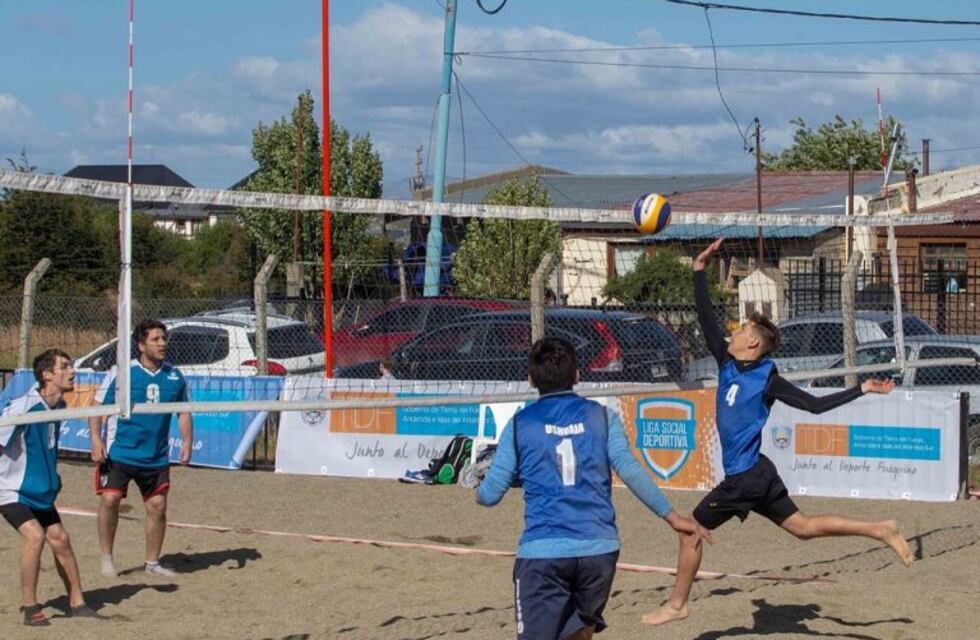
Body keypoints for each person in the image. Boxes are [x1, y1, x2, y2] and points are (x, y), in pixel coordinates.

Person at [643, 238, 914, 628]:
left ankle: (678, 604)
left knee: (690, 530)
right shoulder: (727, 362)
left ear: (752, 343)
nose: (732, 332)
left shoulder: (767, 379)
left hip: (745, 479)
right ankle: (880, 529)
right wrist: (699, 271)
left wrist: (862, 389)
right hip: (758, 472)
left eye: (740, 330)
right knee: (802, 529)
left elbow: (814, 406)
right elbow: (706, 321)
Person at [477, 336, 711, 640]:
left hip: (544, 553)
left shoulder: (520, 424)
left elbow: (491, 494)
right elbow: (629, 470)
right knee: (580, 633)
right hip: (599, 550)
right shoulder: (603, 417)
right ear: (577, 376)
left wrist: (478, 489)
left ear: (531, 379)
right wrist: (672, 516)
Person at [1, 349, 99, 625]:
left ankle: (77, 603)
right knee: (34, 536)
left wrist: (51, 478)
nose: (72, 371)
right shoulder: (23, 407)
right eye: (65, 367)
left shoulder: (58, 406)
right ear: (46, 375)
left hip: (39, 491)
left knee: (61, 539)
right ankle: (30, 608)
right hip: (11, 490)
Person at [88, 319, 193, 578]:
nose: (162, 344)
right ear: (141, 345)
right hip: (120, 451)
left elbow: (183, 412)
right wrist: (96, 440)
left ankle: (152, 563)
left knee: (157, 506)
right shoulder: (122, 373)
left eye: (164, 339)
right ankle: (106, 557)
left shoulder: (175, 376)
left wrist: (187, 442)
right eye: (156, 339)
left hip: (155, 455)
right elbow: (97, 407)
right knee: (110, 499)